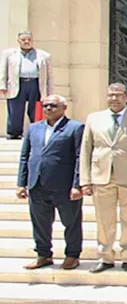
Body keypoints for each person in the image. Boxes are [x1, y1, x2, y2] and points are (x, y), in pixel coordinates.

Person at [80, 83, 127, 273]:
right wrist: (85, 180)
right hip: (101, 176)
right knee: (104, 219)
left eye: (118, 95)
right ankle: (106, 257)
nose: (114, 99)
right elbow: (86, 150)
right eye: (111, 95)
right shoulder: (94, 119)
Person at [16, 95, 83, 270]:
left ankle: (72, 255)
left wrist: (77, 185)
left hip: (64, 186)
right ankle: (43, 255)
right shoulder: (34, 128)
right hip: (37, 184)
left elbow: (80, 158)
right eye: (45, 105)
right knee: (40, 224)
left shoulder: (75, 128)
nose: (48, 109)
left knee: (71, 222)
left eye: (53, 105)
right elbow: (25, 156)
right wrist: (21, 183)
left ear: (64, 108)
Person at [0, 31, 54, 140]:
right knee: (15, 110)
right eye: (23, 40)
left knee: (36, 110)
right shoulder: (9, 54)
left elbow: (50, 75)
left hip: (35, 84)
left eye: (29, 39)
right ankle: (14, 133)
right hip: (17, 83)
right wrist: (2, 85)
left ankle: (37, 132)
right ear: (18, 41)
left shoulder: (43, 55)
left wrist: (50, 91)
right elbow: (3, 70)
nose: (26, 42)